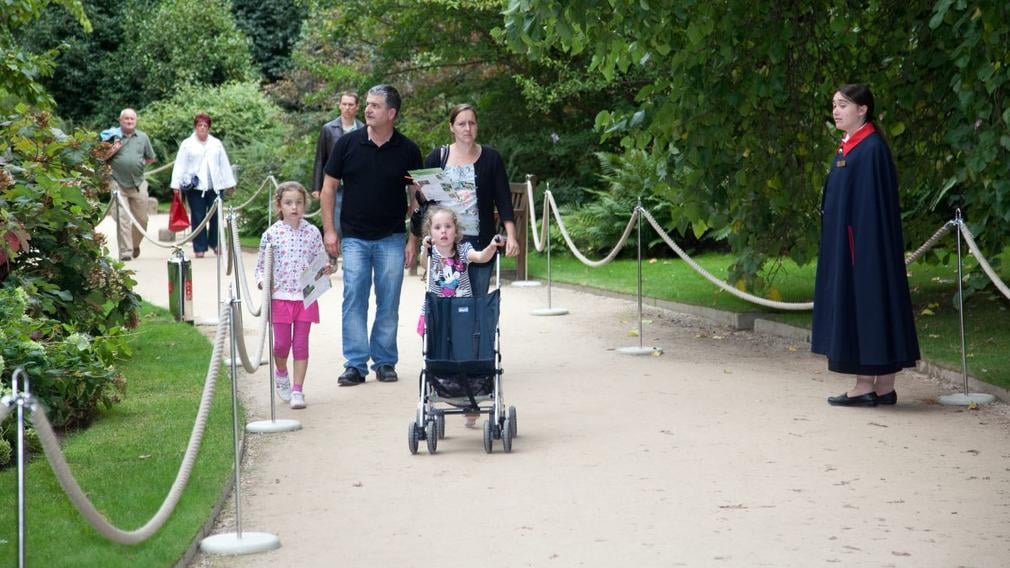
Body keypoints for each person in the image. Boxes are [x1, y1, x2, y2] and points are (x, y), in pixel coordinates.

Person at [811, 84, 921, 407]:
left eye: (843, 105)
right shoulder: (852, 146)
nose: (836, 111)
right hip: (857, 247)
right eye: (834, 105)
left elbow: (871, 209)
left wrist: (860, 250)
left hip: (863, 251)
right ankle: (883, 386)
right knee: (876, 306)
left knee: (868, 306)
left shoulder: (870, 148)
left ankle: (867, 385)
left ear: (863, 110)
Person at [320, 84, 423, 386]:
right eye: (367, 104)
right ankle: (355, 364)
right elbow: (328, 188)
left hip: (392, 236)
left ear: (391, 113)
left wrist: (412, 239)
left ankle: (385, 361)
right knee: (354, 299)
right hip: (353, 237)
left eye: (375, 105)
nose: (367, 110)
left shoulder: (407, 150)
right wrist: (329, 230)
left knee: (388, 301)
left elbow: (416, 194)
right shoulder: (347, 145)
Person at [416, 206, 503, 426]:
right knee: (440, 350)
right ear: (431, 232)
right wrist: (424, 248)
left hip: (462, 313)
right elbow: (422, 262)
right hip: (438, 312)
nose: (443, 231)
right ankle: (443, 388)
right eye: (437, 227)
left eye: (448, 226)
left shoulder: (464, 251)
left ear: (456, 231)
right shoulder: (431, 253)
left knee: (465, 354)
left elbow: (482, 257)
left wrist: (492, 246)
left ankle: (470, 401)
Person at [420, 103, 519, 296]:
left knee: (477, 301)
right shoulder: (436, 158)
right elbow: (425, 203)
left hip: (479, 241)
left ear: (477, 126)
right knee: (445, 302)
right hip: (444, 244)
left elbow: (503, 199)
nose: (467, 128)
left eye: (472, 123)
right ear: (451, 127)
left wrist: (512, 236)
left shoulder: (491, 158)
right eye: (461, 123)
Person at [254, 181, 330, 409]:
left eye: (298, 202)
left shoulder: (312, 232)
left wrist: (326, 269)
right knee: (281, 345)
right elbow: (260, 267)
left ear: (305, 204)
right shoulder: (271, 234)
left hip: (305, 298)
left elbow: (321, 260)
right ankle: (281, 372)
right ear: (279, 205)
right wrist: (262, 282)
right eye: (288, 203)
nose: (294, 207)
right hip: (280, 298)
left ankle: (298, 390)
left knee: (300, 345)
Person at [169, 113, 236, 258]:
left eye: (205, 126)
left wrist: (229, 183)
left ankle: (216, 243)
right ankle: (199, 247)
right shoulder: (187, 144)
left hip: (215, 186)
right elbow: (180, 165)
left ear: (209, 128)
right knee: (198, 217)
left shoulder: (216, 143)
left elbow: (223, 164)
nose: (202, 128)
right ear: (195, 127)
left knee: (216, 216)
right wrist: (176, 185)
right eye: (200, 125)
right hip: (195, 187)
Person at [105, 108, 156, 261]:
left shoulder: (143, 137)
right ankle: (126, 251)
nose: (129, 121)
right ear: (120, 121)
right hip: (117, 182)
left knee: (142, 219)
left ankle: (134, 245)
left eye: (132, 119)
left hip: (138, 183)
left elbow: (151, 158)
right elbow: (101, 158)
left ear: (135, 121)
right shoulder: (112, 136)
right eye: (126, 118)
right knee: (122, 218)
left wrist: (139, 164)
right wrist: (113, 149)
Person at [312, 91, 363, 224]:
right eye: (344, 104)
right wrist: (317, 187)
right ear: (339, 105)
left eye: (351, 104)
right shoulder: (328, 129)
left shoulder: (364, 129)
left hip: (356, 184)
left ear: (357, 107)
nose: (347, 107)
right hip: (334, 183)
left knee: (355, 221)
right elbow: (320, 159)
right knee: (335, 222)